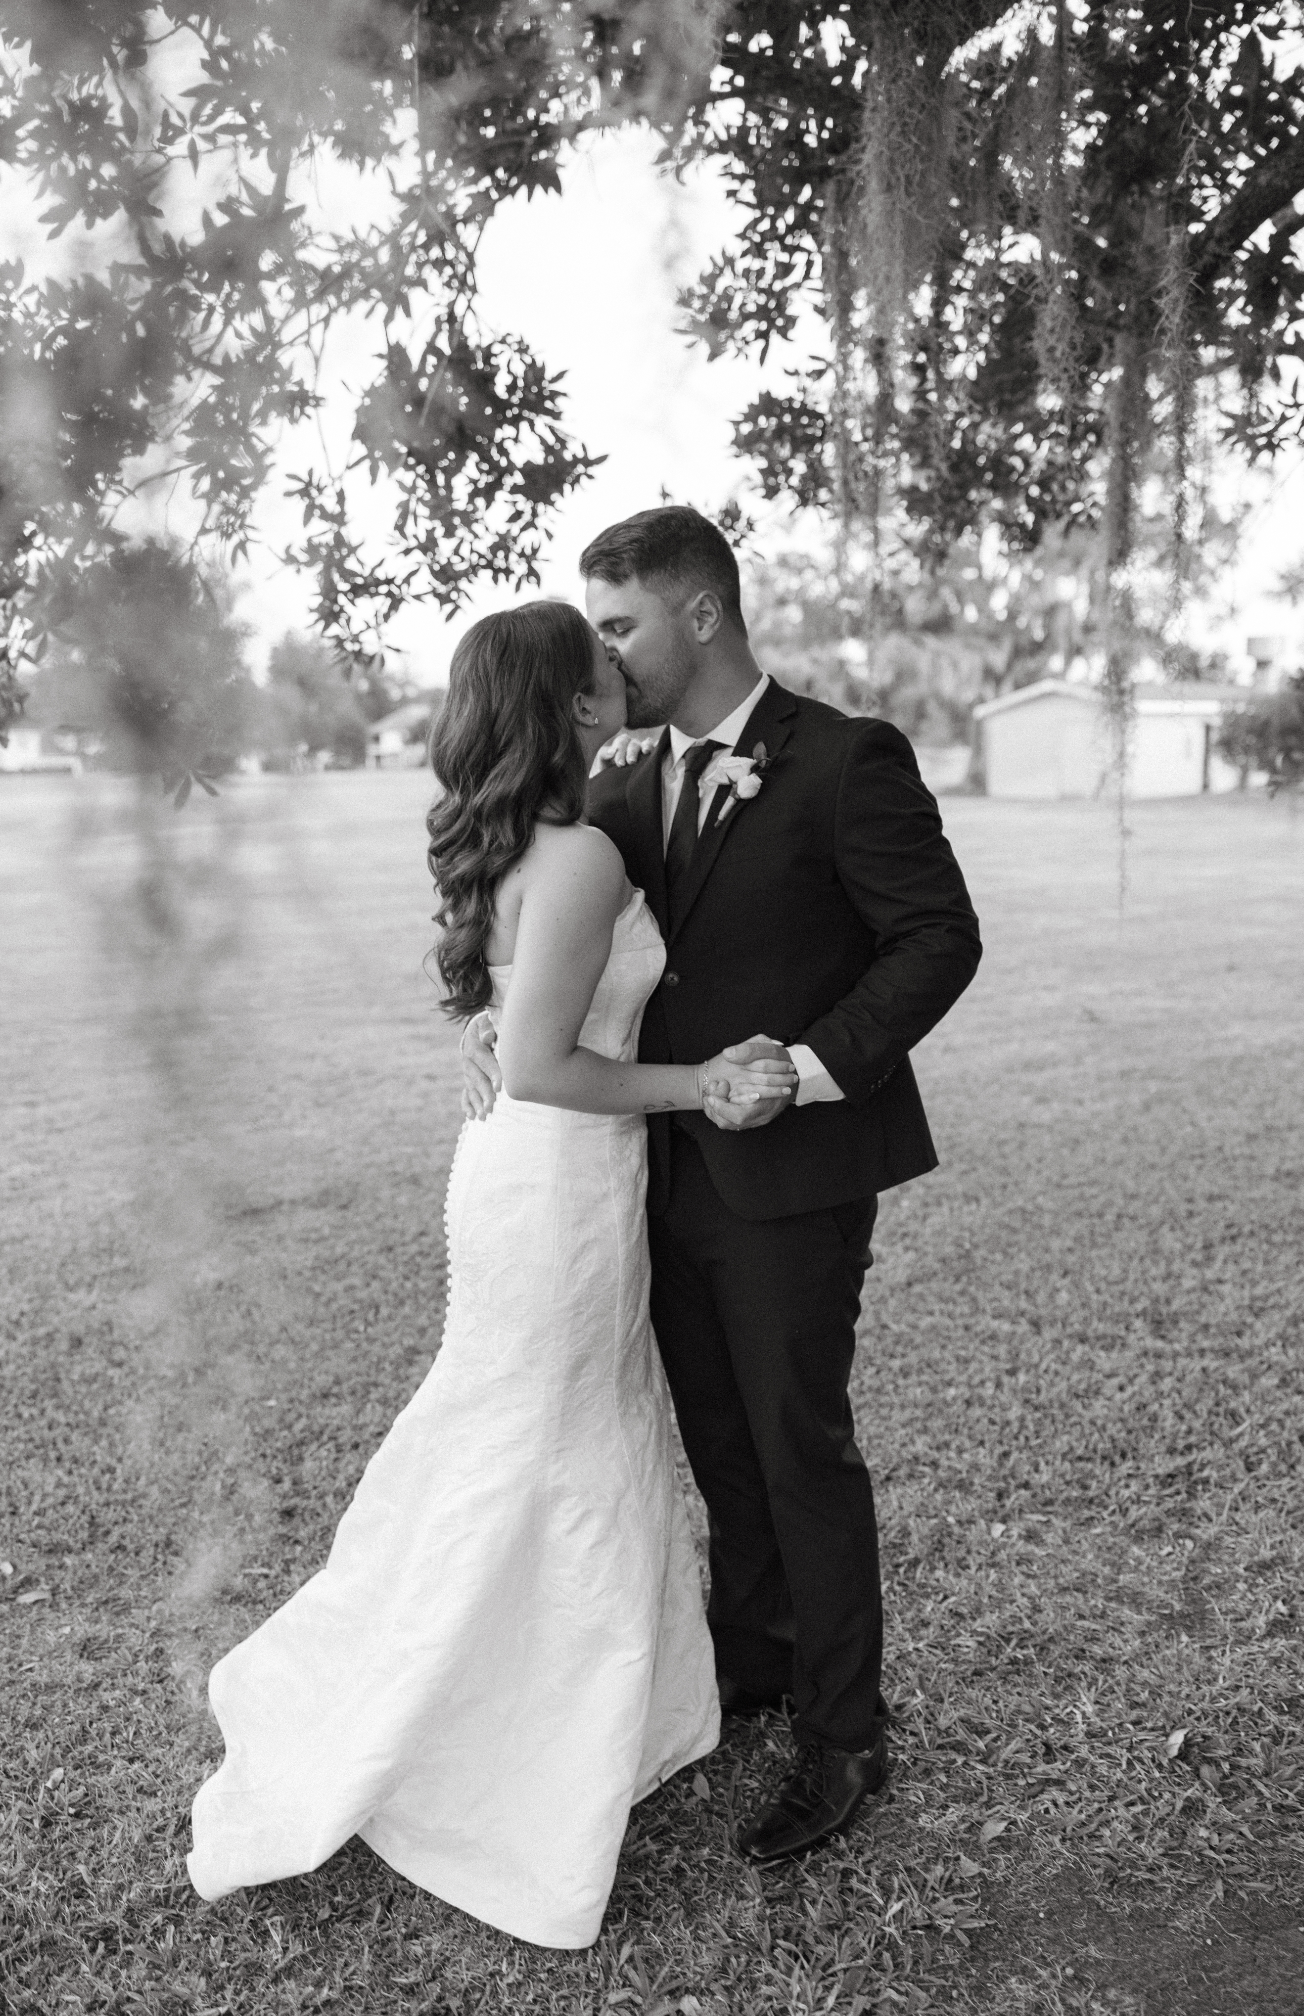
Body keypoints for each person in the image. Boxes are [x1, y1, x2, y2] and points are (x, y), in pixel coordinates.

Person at [185, 600, 795, 1949]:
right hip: (557, 1173)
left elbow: (514, 1020)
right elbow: (541, 1062)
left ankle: (595, 1705)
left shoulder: (546, 836)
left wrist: (490, 1022)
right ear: (574, 708)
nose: (622, 672)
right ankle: (495, 1739)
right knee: (538, 1441)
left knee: (550, 1429)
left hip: (546, 1174)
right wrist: (697, 1081)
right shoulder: (573, 854)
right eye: (602, 665)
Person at [462, 506, 982, 1864]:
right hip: (648, 1176)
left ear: (698, 613)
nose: (609, 653)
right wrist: (500, 1022)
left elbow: (935, 937)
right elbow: (560, 952)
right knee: (717, 1443)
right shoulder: (622, 782)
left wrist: (809, 1068)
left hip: (796, 1172)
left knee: (797, 1445)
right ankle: (753, 1663)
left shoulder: (843, 759)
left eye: (621, 624)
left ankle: (843, 1737)